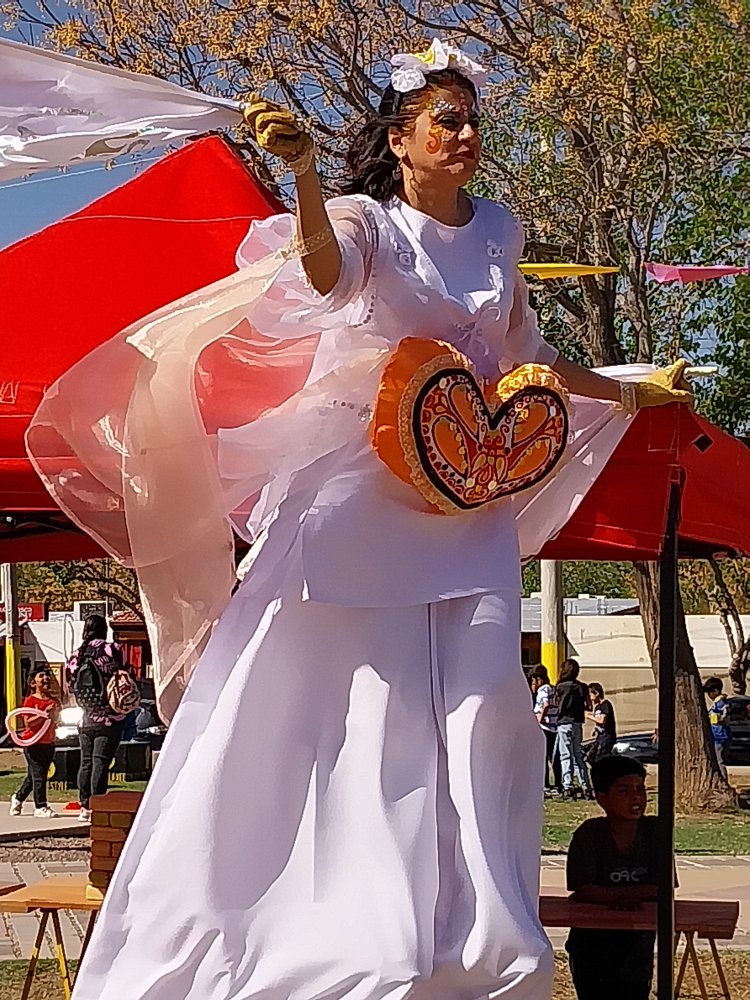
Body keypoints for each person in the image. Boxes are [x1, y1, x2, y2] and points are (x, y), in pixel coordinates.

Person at [29, 39, 694, 1000]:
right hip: (360, 492)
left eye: (473, 119)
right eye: (446, 120)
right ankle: (323, 928)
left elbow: (524, 355)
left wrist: (629, 392)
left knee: (483, 707)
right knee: (343, 707)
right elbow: (330, 279)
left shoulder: (499, 229)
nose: (466, 134)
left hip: (467, 491)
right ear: (401, 138)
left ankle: (470, 939)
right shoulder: (365, 222)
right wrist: (300, 175)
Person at [566, 755, 661, 1000]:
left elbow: (662, 888)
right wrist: (625, 896)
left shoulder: (655, 832)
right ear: (602, 797)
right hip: (590, 944)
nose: (636, 797)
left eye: (640, 789)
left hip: (637, 941)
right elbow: (583, 890)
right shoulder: (589, 834)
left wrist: (613, 896)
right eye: (624, 791)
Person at [66, 614, 127, 823]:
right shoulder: (112, 649)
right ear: (104, 629)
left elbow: (70, 685)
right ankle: (97, 803)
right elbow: (124, 673)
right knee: (100, 761)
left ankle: (84, 804)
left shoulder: (76, 655)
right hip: (109, 716)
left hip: (85, 718)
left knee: (86, 762)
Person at [9, 668, 60, 819]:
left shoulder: (54, 701)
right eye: (41, 676)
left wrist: (55, 717)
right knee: (39, 775)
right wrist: (44, 714)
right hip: (33, 743)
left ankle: (18, 798)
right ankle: (41, 806)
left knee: (36, 776)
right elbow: (28, 723)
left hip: (48, 743)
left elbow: (56, 721)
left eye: (47, 676)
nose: (46, 679)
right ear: (33, 683)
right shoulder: (30, 701)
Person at [556, 658, 592, 798]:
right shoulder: (582, 687)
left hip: (564, 723)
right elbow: (588, 705)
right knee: (578, 755)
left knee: (566, 755)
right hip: (577, 723)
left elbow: (557, 703)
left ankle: (568, 786)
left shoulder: (560, 686)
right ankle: (585, 785)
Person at [529, 664, 561, 795]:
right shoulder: (553, 688)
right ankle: (558, 783)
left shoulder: (543, 689)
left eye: (533, 681)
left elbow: (545, 704)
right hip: (553, 726)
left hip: (544, 727)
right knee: (554, 757)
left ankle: (545, 783)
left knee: (543, 756)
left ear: (538, 679)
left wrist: (539, 719)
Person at [703, 676, 731, 780]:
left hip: (719, 736)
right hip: (720, 736)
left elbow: (720, 718)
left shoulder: (720, 704)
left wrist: (709, 717)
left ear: (716, 691)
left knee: (719, 761)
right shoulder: (720, 703)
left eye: (710, 692)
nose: (709, 695)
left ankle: (723, 780)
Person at [586, 682, 617, 763]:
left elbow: (602, 720)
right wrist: (595, 729)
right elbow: (597, 719)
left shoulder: (605, 704)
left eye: (590, 695)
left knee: (601, 758)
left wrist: (589, 717)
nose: (590, 698)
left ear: (596, 693)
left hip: (607, 737)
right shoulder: (597, 707)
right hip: (600, 737)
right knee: (591, 757)